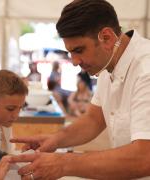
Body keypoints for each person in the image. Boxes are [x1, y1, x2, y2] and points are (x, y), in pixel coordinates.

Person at [10, 0, 150, 179]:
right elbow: (94, 119)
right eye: (70, 53)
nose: (75, 61)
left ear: (106, 37)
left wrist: (63, 163)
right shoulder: (109, 63)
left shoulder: (146, 70)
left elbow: (144, 157)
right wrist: (56, 139)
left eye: (79, 50)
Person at [0, 69, 28, 154]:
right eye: (10, 109)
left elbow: (8, 154)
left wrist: (24, 154)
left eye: (20, 108)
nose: (15, 115)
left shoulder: (4, 123)